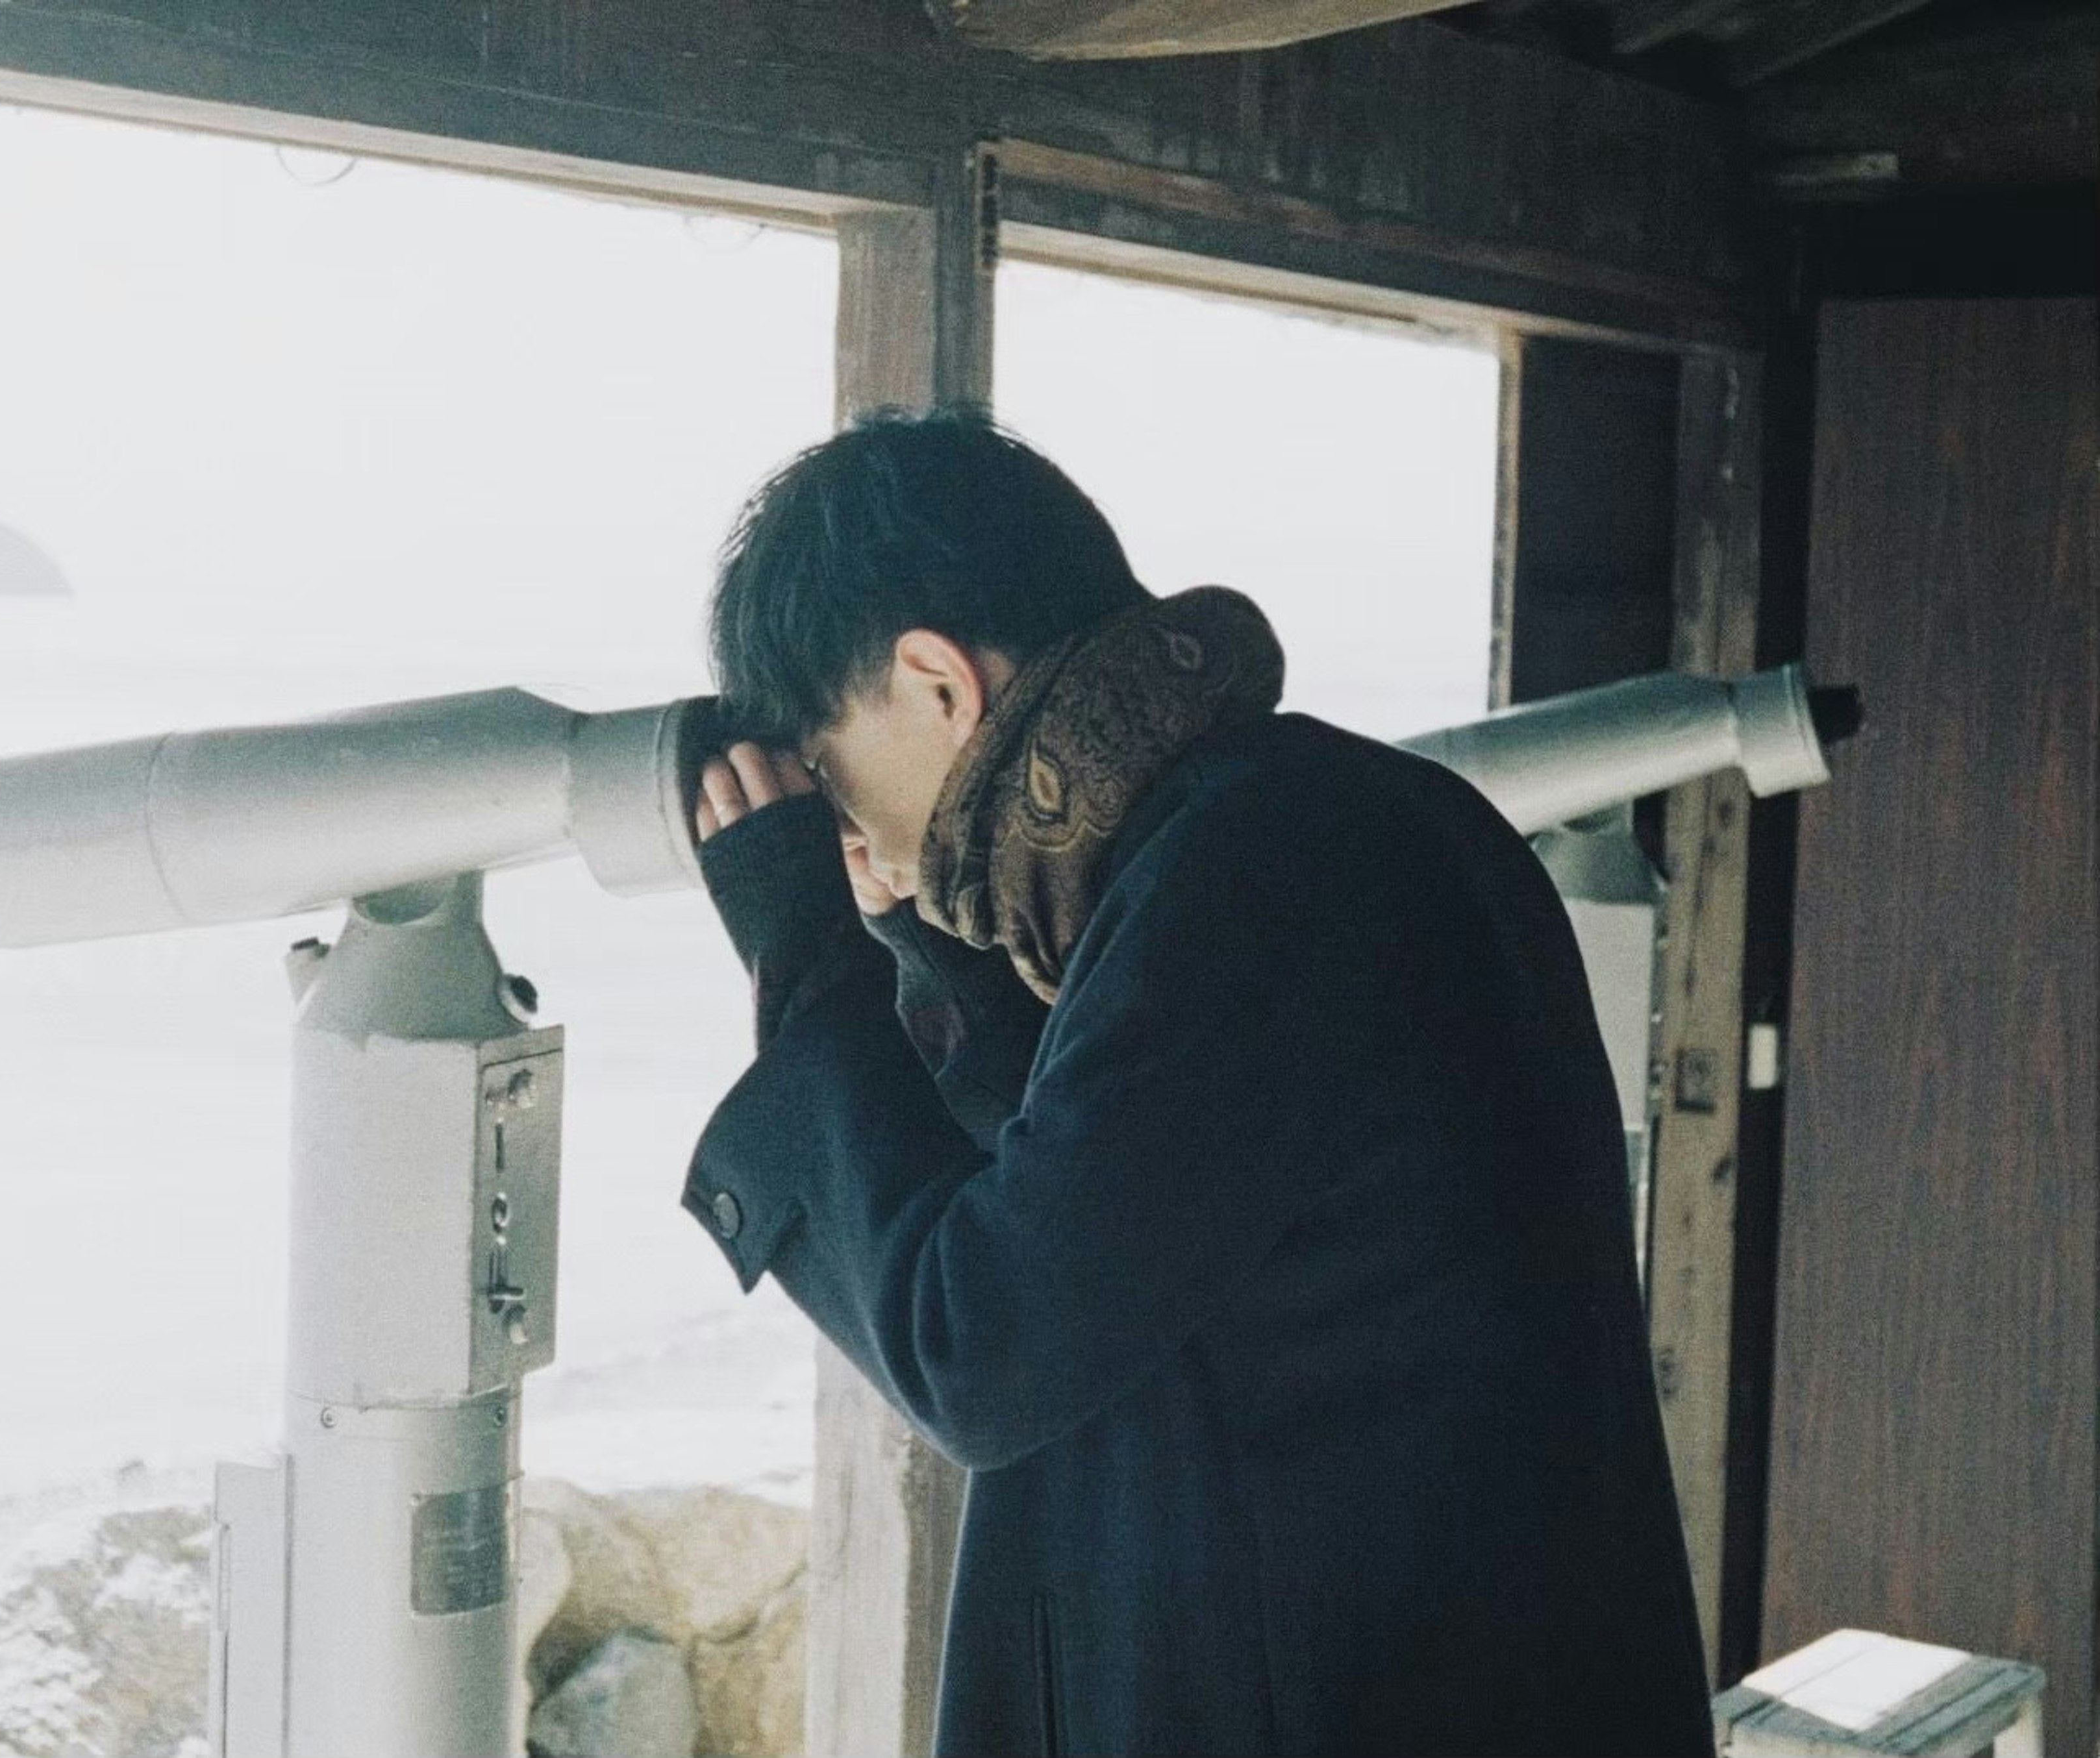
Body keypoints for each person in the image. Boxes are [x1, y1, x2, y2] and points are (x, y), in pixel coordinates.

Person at [681, 409, 1713, 1758]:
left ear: (938, 685)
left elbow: (988, 1345)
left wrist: (805, 965)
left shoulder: (1254, 877)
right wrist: (924, 945)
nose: (846, 826)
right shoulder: (1323, 822)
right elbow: (1095, 1199)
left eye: (827, 773)